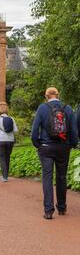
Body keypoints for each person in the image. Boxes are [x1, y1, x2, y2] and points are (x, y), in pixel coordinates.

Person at [32, 87, 78, 219]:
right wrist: (72, 144)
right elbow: (74, 130)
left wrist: (38, 144)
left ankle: (48, 210)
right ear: (58, 95)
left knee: (47, 177)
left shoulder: (42, 108)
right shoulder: (68, 108)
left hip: (46, 147)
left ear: (46, 96)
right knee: (61, 177)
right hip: (63, 147)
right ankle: (62, 207)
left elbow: (35, 129)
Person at [0, 105, 18, 182]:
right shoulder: (11, 119)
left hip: (1, 140)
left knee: (2, 158)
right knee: (7, 157)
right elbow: (16, 130)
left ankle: (4, 176)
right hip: (10, 140)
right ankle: (6, 175)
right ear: (7, 111)